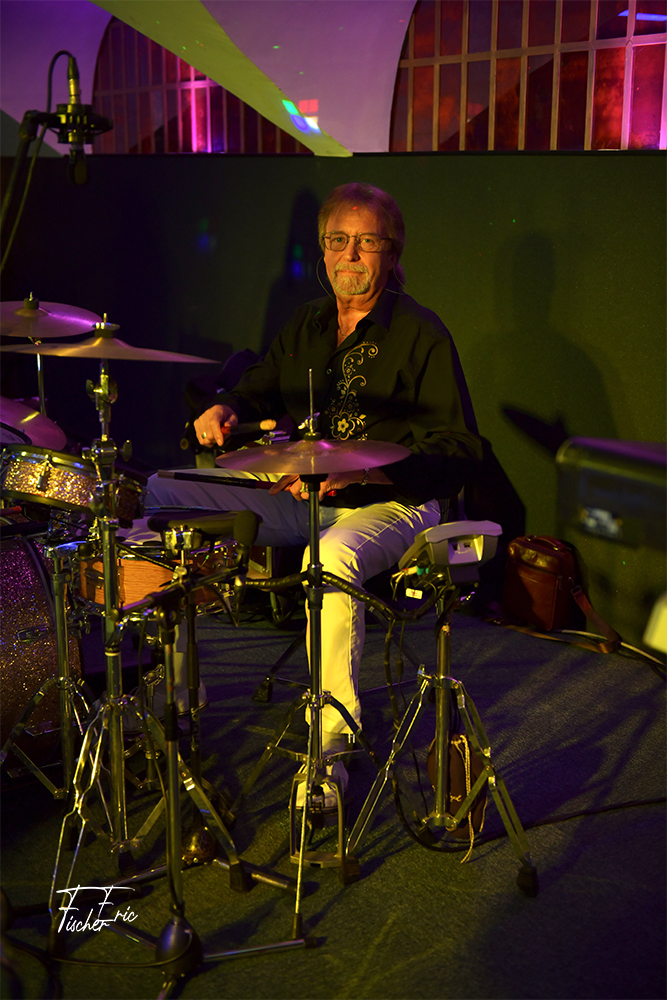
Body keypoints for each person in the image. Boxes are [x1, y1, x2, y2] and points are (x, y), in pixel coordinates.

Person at [144, 182, 481, 807]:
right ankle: (177, 696)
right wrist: (226, 405)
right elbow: (257, 385)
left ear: (392, 251)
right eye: (338, 240)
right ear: (323, 249)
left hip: (394, 503)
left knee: (329, 557)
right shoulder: (307, 322)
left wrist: (366, 474)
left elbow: (458, 451)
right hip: (304, 495)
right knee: (167, 492)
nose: (350, 254)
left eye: (366, 241)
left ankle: (331, 743)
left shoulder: (422, 334)